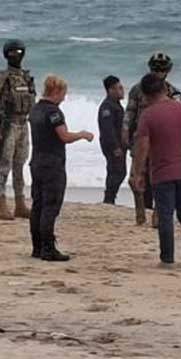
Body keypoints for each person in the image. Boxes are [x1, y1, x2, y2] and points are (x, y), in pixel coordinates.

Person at [132, 73, 181, 268]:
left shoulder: (149, 115)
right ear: (165, 89)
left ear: (145, 94)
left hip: (162, 171)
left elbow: (142, 147)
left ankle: (167, 259)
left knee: (166, 214)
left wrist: (138, 173)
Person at [28, 75, 94, 261]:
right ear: (56, 91)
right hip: (52, 164)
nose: (64, 98)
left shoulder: (35, 109)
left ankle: (37, 247)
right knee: (51, 206)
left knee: (37, 205)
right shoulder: (54, 112)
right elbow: (63, 136)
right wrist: (82, 134)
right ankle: (48, 249)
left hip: (36, 162)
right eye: (63, 93)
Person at [123, 52, 181, 226]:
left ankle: (157, 215)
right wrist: (125, 132)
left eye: (162, 69)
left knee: (161, 179)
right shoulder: (137, 89)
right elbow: (130, 112)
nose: (159, 72)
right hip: (140, 140)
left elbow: (180, 118)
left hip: (163, 143)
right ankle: (140, 214)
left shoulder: (173, 92)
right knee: (135, 178)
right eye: (156, 68)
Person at [0, 39, 36, 220]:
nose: (17, 56)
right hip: (8, 124)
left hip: (23, 124)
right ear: (7, 55)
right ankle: (1, 203)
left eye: (20, 52)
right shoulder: (3, 78)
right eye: (13, 53)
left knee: (19, 165)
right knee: (3, 166)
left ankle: (20, 204)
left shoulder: (26, 77)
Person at [98, 75, 126, 204]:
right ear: (111, 90)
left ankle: (110, 197)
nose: (122, 90)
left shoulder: (116, 105)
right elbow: (107, 129)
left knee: (118, 171)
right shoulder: (107, 107)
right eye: (119, 88)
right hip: (112, 145)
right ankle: (109, 198)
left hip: (119, 143)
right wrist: (115, 147)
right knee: (116, 171)